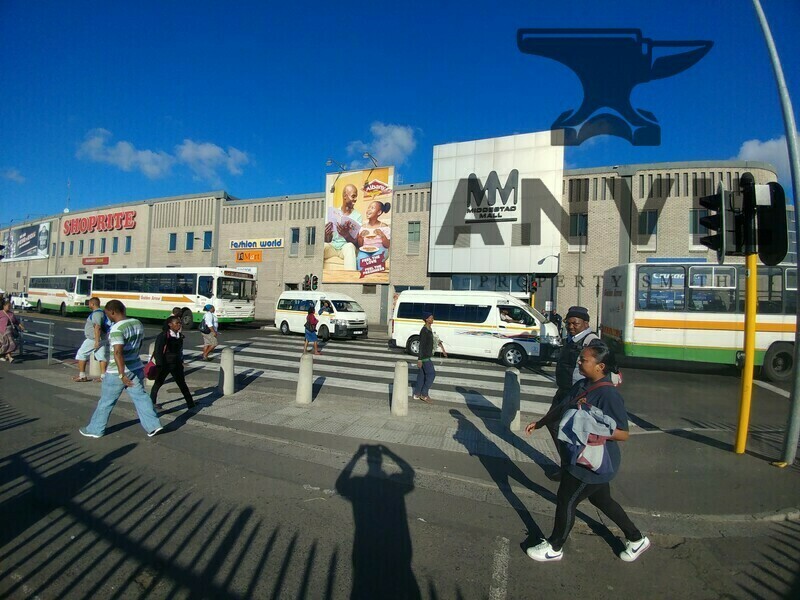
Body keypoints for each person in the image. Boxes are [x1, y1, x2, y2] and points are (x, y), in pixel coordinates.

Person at [524, 340, 650, 563]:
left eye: (584, 360)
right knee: (602, 501)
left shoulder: (608, 395)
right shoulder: (582, 384)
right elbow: (562, 406)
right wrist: (541, 423)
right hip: (582, 456)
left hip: (592, 463)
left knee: (566, 500)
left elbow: (623, 433)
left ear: (600, 366)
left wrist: (592, 430)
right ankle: (636, 538)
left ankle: (555, 546)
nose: (579, 362)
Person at [79, 300, 163, 438]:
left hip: (117, 371)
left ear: (112, 312)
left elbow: (118, 352)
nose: (107, 317)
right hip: (136, 367)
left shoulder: (117, 329)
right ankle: (153, 425)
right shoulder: (137, 323)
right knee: (141, 397)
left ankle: (95, 429)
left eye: (107, 314)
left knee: (106, 402)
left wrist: (121, 374)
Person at [546, 306, 599, 448]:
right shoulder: (571, 339)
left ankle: (573, 464)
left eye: (575, 323)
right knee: (552, 423)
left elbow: (603, 367)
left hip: (578, 393)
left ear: (586, 324)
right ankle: (567, 463)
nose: (571, 327)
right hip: (564, 390)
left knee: (566, 428)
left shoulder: (592, 342)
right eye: (568, 323)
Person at [150, 315, 195, 410]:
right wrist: (159, 365)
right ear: (170, 325)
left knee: (182, 383)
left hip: (176, 364)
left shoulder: (179, 335)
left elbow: (179, 350)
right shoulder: (163, 335)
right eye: (177, 323)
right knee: (158, 383)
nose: (179, 325)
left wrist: (181, 361)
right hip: (165, 364)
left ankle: (190, 403)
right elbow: (158, 351)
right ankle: (152, 402)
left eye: (180, 323)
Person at [324, 183, 362, 271]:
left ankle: (350, 282)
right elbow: (328, 240)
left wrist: (346, 235)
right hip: (333, 246)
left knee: (349, 247)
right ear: (345, 196)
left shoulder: (357, 216)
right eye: (353, 196)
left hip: (345, 247)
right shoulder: (334, 212)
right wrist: (326, 234)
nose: (355, 199)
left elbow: (357, 243)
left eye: (356, 196)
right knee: (321, 247)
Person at [72, 297, 109, 382]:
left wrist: (96, 341)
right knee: (101, 357)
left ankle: (82, 376)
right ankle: (103, 377)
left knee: (81, 354)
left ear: (92, 304)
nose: (88, 305)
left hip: (93, 339)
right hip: (102, 338)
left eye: (89, 303)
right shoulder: (102, 313)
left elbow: (97, 327)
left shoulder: (96, 314)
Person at [413, 312, 447, 403]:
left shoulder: (429, 329)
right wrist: (419, 359)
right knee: (431, 374)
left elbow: (434, 340)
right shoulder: (424, 330)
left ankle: (417, 394)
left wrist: (442, 349)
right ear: (427, 319)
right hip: (424, 357)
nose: (433, 319)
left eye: (432, 318)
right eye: (431, 318)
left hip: (425, 355)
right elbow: (422, 345)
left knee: (422, 375)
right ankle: (424, 394)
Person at [356, 201, 391, 271]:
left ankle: (373, 279)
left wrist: (382, 235)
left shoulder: (384, 226)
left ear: (379, 212)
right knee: (360, 260)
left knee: (374, 260)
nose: (368, 209)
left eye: (372, 208)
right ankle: (364, 280)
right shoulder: (363, 227)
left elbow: (387, 245)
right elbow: (360, 245)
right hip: (365, 250)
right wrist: (360, 237)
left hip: (380, 249)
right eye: (368, 207)